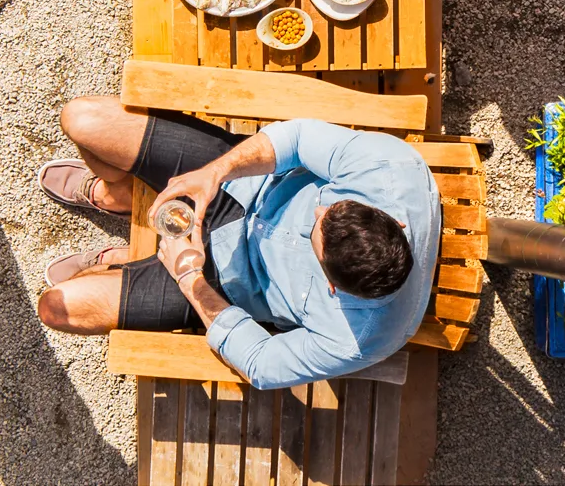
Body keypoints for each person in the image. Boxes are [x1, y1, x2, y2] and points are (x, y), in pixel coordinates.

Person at [35, 94, 439, 389]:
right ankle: (119, 197)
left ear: (332, 285)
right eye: (326, 209)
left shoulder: (359, 339)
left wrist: (189, 278)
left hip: (226, 282)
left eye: (314, 232)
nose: (316, 213)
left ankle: (124, 258)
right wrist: (216, 172)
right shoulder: (391, 172)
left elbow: (262, 364)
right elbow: (295, 139)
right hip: (246, 187)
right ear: (395, 221)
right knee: (81, 119)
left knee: (56, 309)